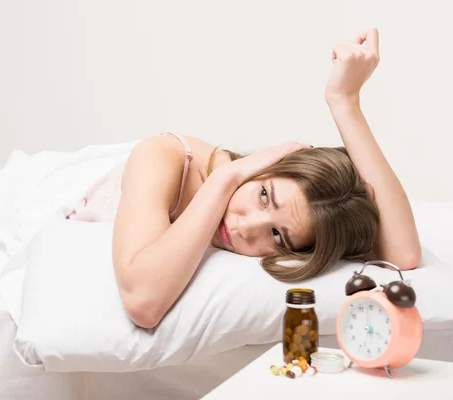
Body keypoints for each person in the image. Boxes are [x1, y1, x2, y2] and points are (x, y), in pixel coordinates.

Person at [68, 28, 421, 329]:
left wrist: (345, 102)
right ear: (268, 166)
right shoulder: (165, 156)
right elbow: (143, 301)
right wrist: (227, 178)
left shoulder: (280, 212)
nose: (245, 228)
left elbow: (403, 254)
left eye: (277, 236)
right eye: (264, 196)